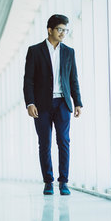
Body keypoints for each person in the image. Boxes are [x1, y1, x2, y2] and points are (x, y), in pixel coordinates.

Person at [23, 14, 83, 195]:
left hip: (63, 103)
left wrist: (78, 102)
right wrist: (30, 103)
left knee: (64, 142)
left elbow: (73, 79)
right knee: (45, 143)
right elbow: (28, 80)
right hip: (41, 104)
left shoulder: (69, 52)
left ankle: (63, 182)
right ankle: (48, 182)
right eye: (60, 29)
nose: (63, 33)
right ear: (50, 30)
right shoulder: (34, 51)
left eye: (65, 30)